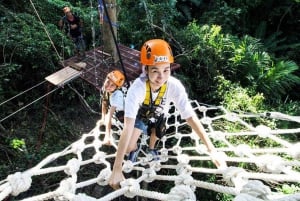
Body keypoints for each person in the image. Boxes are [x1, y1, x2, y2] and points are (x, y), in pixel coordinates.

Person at [108, 39, 227, 189]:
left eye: (166, 70)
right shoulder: (136, 89)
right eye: (155, 71)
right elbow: (128, 126)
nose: (161, 77)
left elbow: (190, 116)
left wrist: (212, 150)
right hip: (142, 117)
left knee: (156, 134)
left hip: (159, 116)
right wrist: (117, 168)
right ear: (146, 69)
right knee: (128, 148)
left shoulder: (174, 86)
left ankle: (152, 149)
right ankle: (135, 147)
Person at [100, 70, 125, 145]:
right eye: (108, 82)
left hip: (126, 118)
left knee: (124, 144)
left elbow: (110, 114)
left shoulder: (118, 95)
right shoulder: (105, 89)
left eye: (112, 85)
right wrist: (102, 118)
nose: (108, 86)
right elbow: (104, 103)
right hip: (117, 116)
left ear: (116, 88)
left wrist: (107, 136)